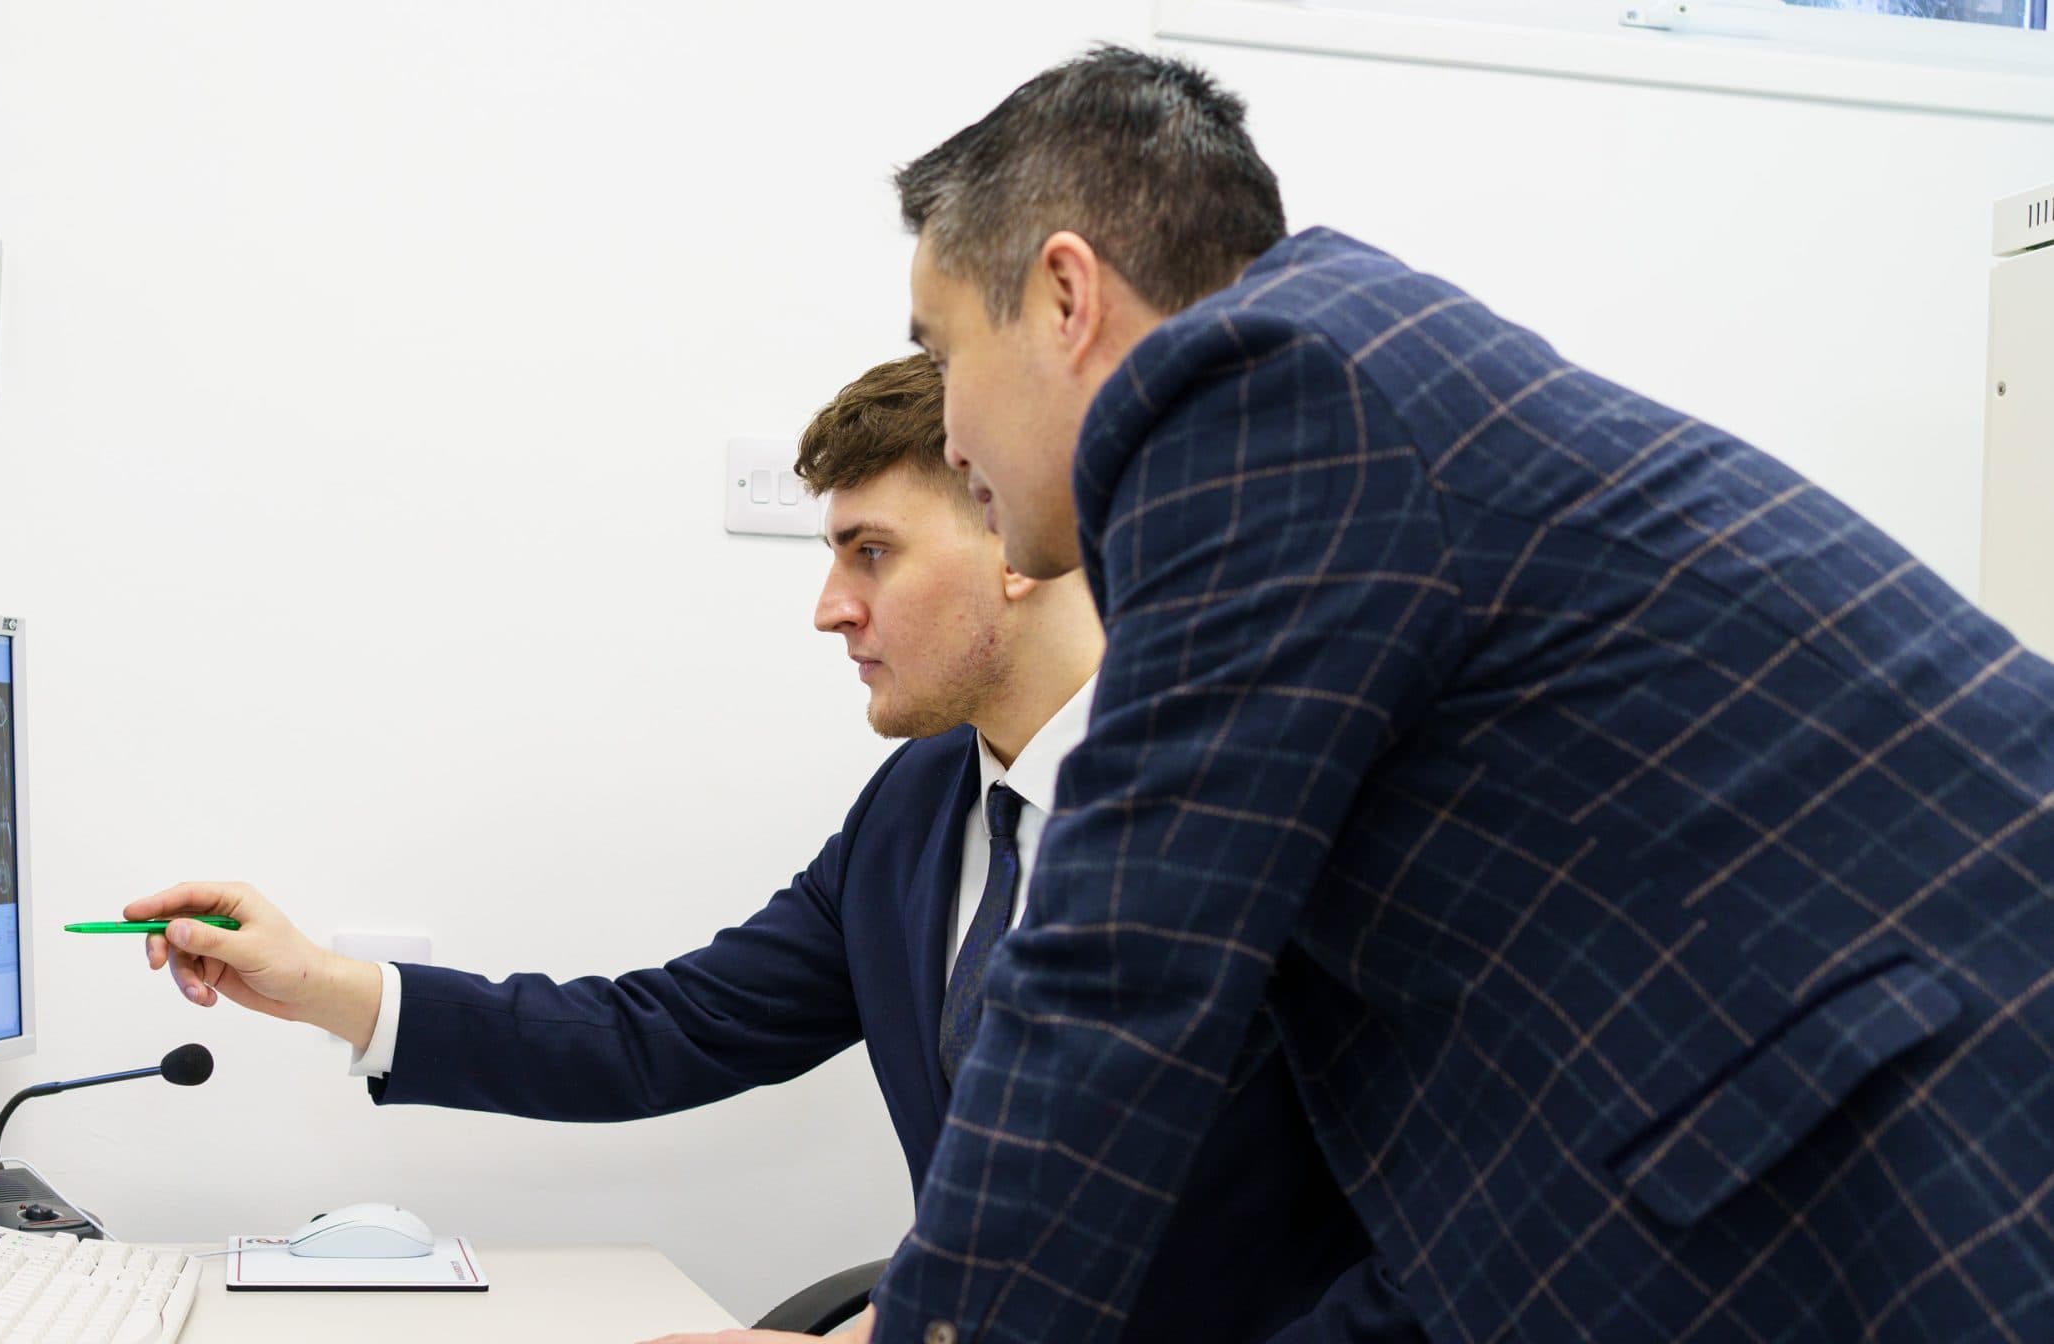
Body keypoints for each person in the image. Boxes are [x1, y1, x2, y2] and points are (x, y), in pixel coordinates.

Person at [876, 43, 2054, 1344]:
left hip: (1924, 1139)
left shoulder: (1252, 400)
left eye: (943, 356)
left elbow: (1117, 980)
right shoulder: (1331, 385)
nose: (946, 437)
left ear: (1063, 296)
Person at [124, 355, 1400, 1343]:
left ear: (1016, 537)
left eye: (872, 552)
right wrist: (322, 986)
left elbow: (1433, 1251)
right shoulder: (916, 809)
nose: (829, 607)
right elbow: (665, 1029)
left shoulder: (1277, 809)